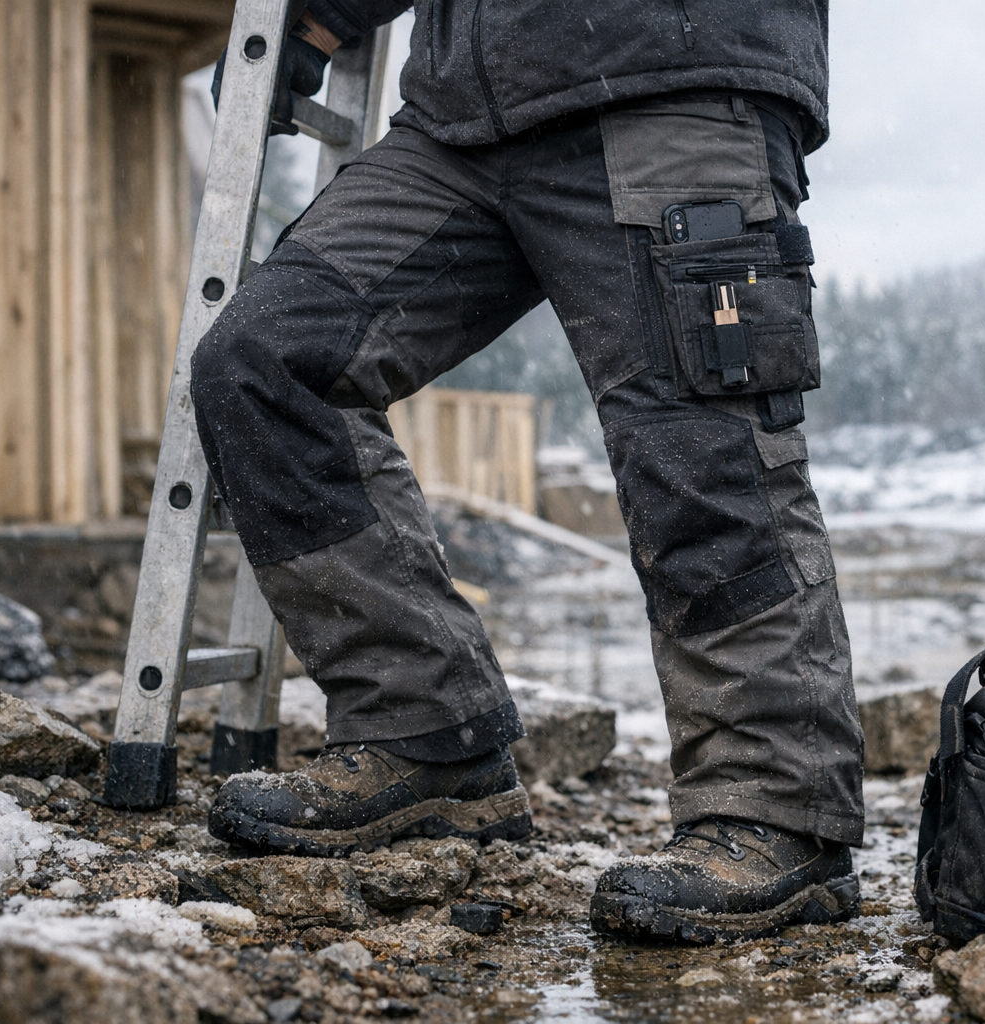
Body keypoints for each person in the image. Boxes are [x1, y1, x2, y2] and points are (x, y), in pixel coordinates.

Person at [191, 0, 864, 944]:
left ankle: (778, 811)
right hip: (464, 116)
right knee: (263, 362)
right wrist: (315, 19)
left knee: (701, 462)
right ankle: (426, 732)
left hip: (673, 81)